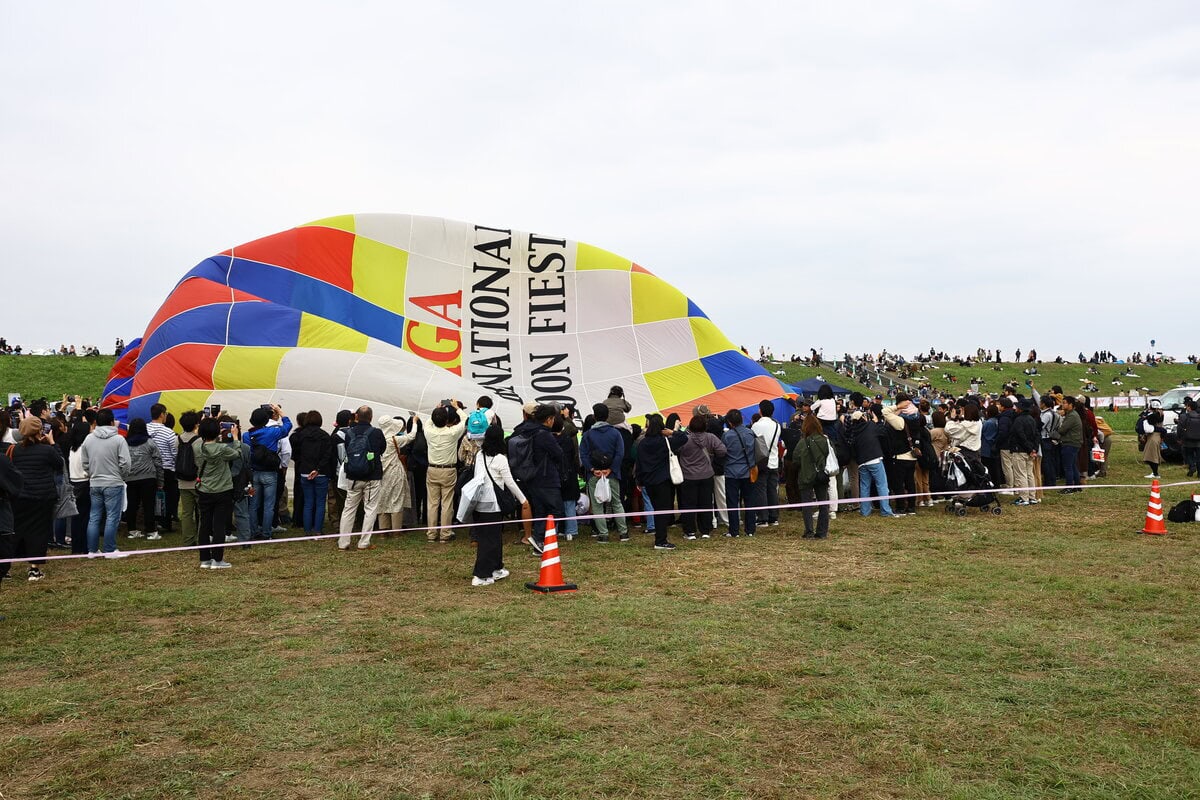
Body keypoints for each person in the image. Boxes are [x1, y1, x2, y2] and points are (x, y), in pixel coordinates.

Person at [464, 426, 531, 586]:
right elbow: (510, 482)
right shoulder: (500, 458)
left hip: (479, 502)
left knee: (492, 537)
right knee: (490, 540)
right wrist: (523, 500)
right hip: (493, 505)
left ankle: (497, 568)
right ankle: (481, 575)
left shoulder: (480, 455)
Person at [9, 416, 64, 581]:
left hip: (20, 496)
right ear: (40, 431)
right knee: (39, 532)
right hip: (43, 496)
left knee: (15, 531)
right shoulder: (47, 450)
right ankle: (34, 568)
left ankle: (6, 567)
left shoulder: (15, 450)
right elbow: (60, 464)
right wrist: (53, 443)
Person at [508, 403, 566, 553]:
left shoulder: (528, 431)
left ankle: (538, 540)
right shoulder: (544, 435)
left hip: (533, 477)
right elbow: (558, 454)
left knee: (541, 510)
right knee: (555, 509)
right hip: (547, 477)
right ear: (548, 419)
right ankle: (544, 540)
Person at [193, 417, 242, 569]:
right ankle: (217, 560)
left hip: (204, 489)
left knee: (204, 524)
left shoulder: (197, 447)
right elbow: (237, 453)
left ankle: (204, 559)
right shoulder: (222, 449)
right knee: (219, 525)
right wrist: (235, 438)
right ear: (217, 433)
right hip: (222, 490)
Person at [634, 414, 688, 550]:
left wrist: (639, 481)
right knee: (662, 511)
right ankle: (660, 540)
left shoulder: (642, 443)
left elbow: (639, 463)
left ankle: (660, 537)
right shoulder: (665, 441)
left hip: (648, 481)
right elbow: (684, 438)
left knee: (655, 508)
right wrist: (672, 431)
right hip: (663, 481)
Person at [81, 409, 131, 555]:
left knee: (94, 516)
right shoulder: (119, 439)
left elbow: (84, 462)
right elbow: (126, 463)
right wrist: (121, 476)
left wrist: (91, 473)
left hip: (95, 483)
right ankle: (109, 549)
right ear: (111, 422)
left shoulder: (89, 439)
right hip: (113, 483)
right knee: (112, 516)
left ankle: (92, 550)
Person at [337, 406, 387, 550]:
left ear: (356, 417)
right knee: (370, 509)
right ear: (371, 417)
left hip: (352, 475)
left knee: (349, 509)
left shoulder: (349, 432)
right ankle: (364, 542)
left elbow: (347, 449)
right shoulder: (376, 433)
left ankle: (343, 542)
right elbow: (382, 449)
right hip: (372, 476)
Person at [242, 404, 292, 540]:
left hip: (254, 474)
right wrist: (280, 411)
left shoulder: (246, 436)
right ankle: (266, 533)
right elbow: (288, 426)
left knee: (253, 504)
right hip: (270, 473)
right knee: (269, 505)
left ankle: (253, 531)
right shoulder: (272, 432)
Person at [579, 402, 627, 542]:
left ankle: (603, 534)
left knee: (597, 504)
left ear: (594, 417)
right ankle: (623, 532)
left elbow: (584, 454)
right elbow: (620, 453)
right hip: (611, 474)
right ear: (607, 416)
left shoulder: (588, 435)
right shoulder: (615, 433)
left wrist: (592, 469)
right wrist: (611, 469)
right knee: (617, 502)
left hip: (594, 474)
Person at [676, 415, 727, 540]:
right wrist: (712, 455)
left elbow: (675, 449)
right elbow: (722, 451)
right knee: (706, 502)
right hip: (706, 475)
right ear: (705, 426)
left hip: (688, 475)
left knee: (688, 504)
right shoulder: (711, 437)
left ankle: (690, 531)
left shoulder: (685, 439)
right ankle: (705, 530)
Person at [423, 401, 466, 542]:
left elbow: (428, 421)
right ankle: (445, 533)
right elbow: (465, 419)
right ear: (447, 420)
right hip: (448, 470)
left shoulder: (428, 431)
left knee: (432, 503)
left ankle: (431, 533)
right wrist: (457, 408)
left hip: (432, 469)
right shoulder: (452, 433)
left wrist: (437, 409)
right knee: (447, 503)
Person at [844, 407, 896, 517]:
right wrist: (877, 422)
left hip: (862, 463)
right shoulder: (870, 426)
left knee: (864, 486)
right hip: (875, 459)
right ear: (863, 418)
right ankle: (885, 510)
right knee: (882, 485)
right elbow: (883, 433)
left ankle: (865, 511)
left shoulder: (854, 431)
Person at [291, 410, 335, 535]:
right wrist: (318, 469)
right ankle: (318, 530)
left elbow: (296, 454)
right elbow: (327, 455)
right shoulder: (325, 436)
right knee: (320, 502)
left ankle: (307, 530)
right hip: (321, 473)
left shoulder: (300, 436)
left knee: (308, 502)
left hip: (305, 472)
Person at [123, 418, 163, 541]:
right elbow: (158, 461)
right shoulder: (150, 442)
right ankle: (151, 530)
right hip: (148, 478)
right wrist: (160, 480)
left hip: (130, 478)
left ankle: (132, 530)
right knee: (149, 505)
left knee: (132, 505)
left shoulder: (125, 443)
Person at [721, 409, 758, 537]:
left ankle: (734, 530)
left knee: (732, 502)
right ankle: (750, 529)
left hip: (731, 472)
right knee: (749, 500)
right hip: (748, 471)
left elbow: (722, 452)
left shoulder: (727, 436)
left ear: (730, 423)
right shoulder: (750, 433)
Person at [377, 413, 416, 535]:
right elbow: (411, 436)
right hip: (395, 473)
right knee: (396, 500)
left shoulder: (377, 439)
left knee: (382, 500)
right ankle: (396, 530)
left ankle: (383, 529)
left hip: (380, 474)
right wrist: (414, 422)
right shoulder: (394, 440)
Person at [795, 413, 831, 539]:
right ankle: (822, 532)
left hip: (806, 476)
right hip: (822, 475)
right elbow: (831, 456)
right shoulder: (825, 440)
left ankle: (809, 531)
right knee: (823, 504)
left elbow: (795, 459)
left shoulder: (802, 443)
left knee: (807, 505)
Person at [146, 403, 178, 533]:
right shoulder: (169, 433)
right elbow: (175, 453)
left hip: (149, 469)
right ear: (161, 415)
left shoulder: (145, 429)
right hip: (167, 469)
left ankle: (152, 521)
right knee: (168, 498)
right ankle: (165, 523)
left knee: (150, 498)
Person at [750, 400, 783, 526]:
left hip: (761, 461)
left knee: (761, 489)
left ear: (761, 410)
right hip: (774, 461)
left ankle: (763, 517)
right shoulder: (777, 425)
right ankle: (773, 517)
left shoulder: (756, 425)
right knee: (772, 490)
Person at [175, 411, 202, 547]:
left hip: (182, 481)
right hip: (197, 481)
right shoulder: (199, 441)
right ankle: (202, 538)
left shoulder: (177, 439)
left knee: (186, 513)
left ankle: (188, 540)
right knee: (202, 511)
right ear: (196, 424)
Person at [1007, 399, 1040, 506]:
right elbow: (1036, 435)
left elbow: (1021, 436)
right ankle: (1032, 496)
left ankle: (1024, 497)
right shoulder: (1031, 419)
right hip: (1030, 451)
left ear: (1021, 409)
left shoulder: (1018, 420)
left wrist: (1030, 449)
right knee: (1029, 474)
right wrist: (1034, 449)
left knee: (1021, 474)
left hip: (1020, 450)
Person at [1057, 396, 1084, 493]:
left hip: (1070, 443)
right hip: (1073, 443)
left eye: (1064, 403)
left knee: (1068, 466)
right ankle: (1077, 486)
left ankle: (1069, 487)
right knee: (1072, 465)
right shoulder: (1071, 414)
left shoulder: (1072, 416)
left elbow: (1062, 429)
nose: (1063, 404)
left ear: (1071, 405)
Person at [1141, 410, 1166, 479]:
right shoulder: (1160, 422)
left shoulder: (1152, 423)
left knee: (1152, 457)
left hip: (1153, 438)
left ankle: (1156, 473)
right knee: (1153, 456)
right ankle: (1155, 472)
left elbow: (1149, 429)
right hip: (1155, 437)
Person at [1179, 397, 1200, 478]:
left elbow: (1179, 428)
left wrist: (1179, 438)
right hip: (1199, 441)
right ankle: (1199, 473)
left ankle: (1192, 466)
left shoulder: (1184, 416)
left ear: (1189, 407)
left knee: (1189, 455)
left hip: (1188, 440)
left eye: (1187, 406)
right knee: (1199, 457)